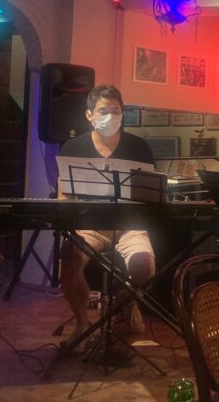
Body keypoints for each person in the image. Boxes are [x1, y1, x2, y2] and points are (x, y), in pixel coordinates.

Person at [58, 84, 155, 349]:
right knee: (70, 260)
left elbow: (150, 195)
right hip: (89, 225)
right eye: (104, 111)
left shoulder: (138, 147)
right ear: (89, 115)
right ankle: (83, 323)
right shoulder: (72, 147)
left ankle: (128, 300)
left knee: (144, 264)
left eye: (116, 110)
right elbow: (63, 195)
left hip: (130, 224)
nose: (110, 116)